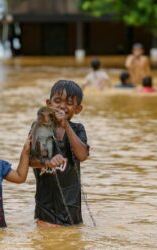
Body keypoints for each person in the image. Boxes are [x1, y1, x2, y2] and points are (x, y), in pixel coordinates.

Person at [30, 80, 89, 226]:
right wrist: (47, 162)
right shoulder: (39, 127)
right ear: (49, 103)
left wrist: (66, 126)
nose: (62, 106)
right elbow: (30, 160)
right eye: (57, 101)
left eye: (69, 103)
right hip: (45, 208)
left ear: (78, 109)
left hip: (71, 208)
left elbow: (82, 155)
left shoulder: (78, 129)